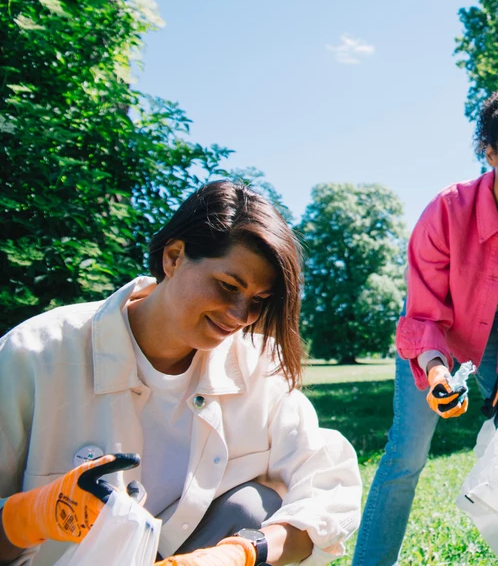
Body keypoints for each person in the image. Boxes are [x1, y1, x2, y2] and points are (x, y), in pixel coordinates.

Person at [0, 182, 362, 566]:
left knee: (254, 507)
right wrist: (31, 515)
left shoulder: (259, 369)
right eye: (227, 286)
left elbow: (328, 485)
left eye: (258, 301)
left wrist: (241, 553)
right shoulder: (35, 353)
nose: (239, 317)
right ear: (173, 257)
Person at [352, 84, 498, 566]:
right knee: (405, 456)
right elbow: (423, 313)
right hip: (439, 330)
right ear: (489, 153)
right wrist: (437, 376)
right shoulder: (446, 210)